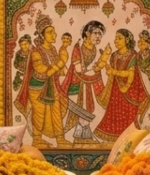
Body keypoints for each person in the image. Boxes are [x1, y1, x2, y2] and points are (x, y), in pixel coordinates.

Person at [14, 14, 70, 148]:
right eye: (50, 32)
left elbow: (58, 70)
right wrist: (61, 61)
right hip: (37, 87)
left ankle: (60, 139)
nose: (54, 34)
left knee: (56, 110)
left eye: (53, 32)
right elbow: (44, 72)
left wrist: (62, 61)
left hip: (52, 85)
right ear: (42, 35)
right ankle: (37, 139)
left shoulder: (53, 49)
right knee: (40, 114)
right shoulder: (36, 52)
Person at [94, 29, 150, 142]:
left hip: (129, 91)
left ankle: (129, 139)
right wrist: (108, 70)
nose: (116, 41)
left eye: (119, 38)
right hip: (116, 90)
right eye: (115, 38)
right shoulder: (114, 55)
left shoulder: (133, 55)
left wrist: (114, 72)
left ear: (127, 40)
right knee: (114, 114)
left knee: (128, 116)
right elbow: (111, 73)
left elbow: (130, 73)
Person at [59, 20, 109, 143]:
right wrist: (97, 66)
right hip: (76, 84)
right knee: (80, 110)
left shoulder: (96, 50)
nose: (98, 36)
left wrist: (102, 62)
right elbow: (78, 70)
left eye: (100, 34)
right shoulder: (78, 48)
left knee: (88, 108)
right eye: (96, 33)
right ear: (87, 33)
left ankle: (81, 136)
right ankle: (80, 136)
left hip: (89, 84)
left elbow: (95, 68)